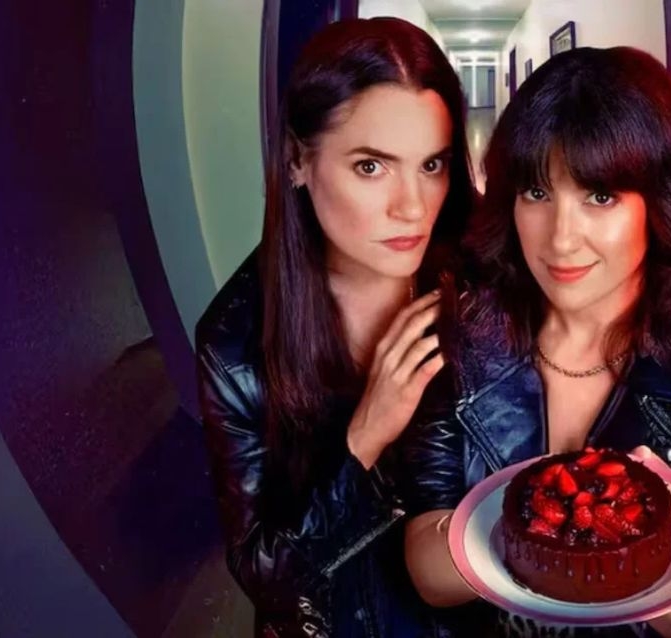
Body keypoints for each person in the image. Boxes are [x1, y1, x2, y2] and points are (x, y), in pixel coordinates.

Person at [400, 46, 671, 638]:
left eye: (599, 196)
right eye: (537, 192)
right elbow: (428, 574)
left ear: (661, 204)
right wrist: (535, 514)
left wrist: (644, 514)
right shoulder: (460, 348)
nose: (561, 239)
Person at [195, 17, 475, 637]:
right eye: (372, 167)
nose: (412, 206)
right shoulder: (237, 341)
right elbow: (266, 575)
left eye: (432, 164)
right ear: (297, 160)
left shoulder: (478, 283)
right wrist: (365, 438)